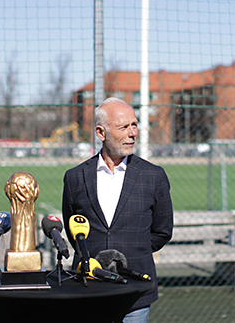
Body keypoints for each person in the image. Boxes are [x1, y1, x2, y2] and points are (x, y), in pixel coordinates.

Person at [62, 97, 174, 323]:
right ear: (101, 133)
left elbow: (162, 231)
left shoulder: (154, 176)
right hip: (88, 288)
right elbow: (73, 229)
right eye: (124, 127)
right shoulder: (75, 177)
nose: (133, 133)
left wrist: (133, 250)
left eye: (135, 125)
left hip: (134, 291)